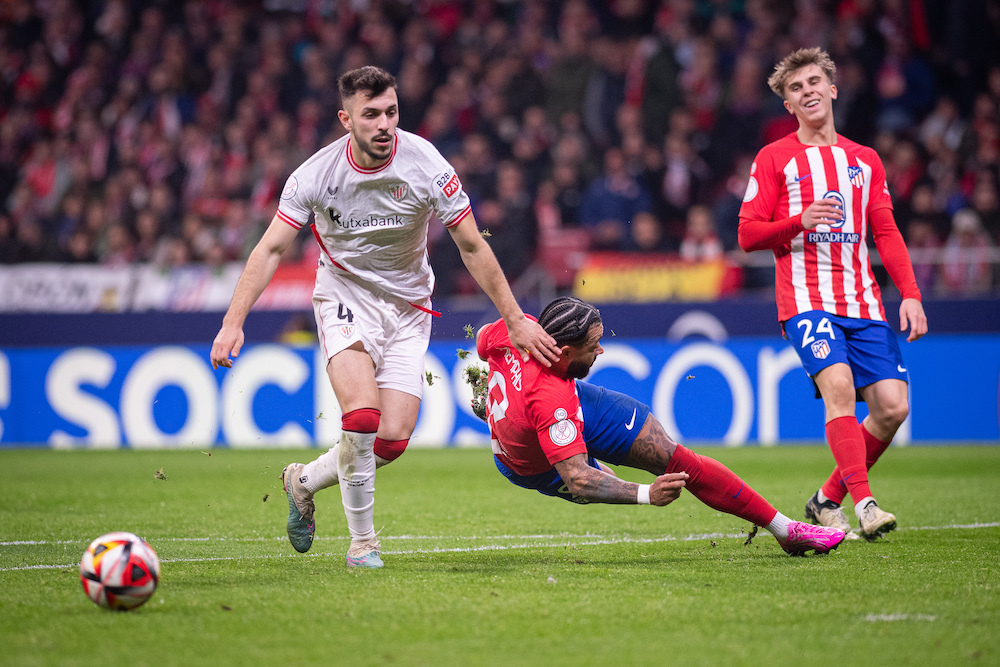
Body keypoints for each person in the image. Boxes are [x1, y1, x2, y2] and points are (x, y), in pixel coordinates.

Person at [210, 66, 561, 569]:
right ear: (345, 118)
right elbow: (269, 250)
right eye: (370, 114)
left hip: (409, 308)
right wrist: (232, 321)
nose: (383, 124)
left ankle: (302, 481)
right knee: (361, 416)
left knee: (391, 440)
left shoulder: (427, 165)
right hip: (344, 296)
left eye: (391, 112)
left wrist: (515, 319)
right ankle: (363, 545)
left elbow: (471, 246)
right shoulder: (314, 176)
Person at [472, 296, 847, 556]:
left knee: (678, 460)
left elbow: (483, 341)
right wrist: (645, 494)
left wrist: (497, 398)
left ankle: (785, 530)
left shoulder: (517, 328)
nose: (601, 350)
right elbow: (578, 478)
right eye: (594, 345)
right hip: (529, 464)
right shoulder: (550, 399)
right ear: (566, 352)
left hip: (571, 403)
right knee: (594, 475)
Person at [738, 48, 928, 541]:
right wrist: (797, 222)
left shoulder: (864, 160)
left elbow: (885, 232)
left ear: (833, 88)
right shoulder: (774, 157)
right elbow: (747, 234)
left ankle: (827, 500)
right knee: (840, 388)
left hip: (863, 302)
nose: (808, 91)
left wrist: (910, 293)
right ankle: (864, 504)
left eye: (815, 81)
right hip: (804, 299)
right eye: (796, 87)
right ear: (788, 105)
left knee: (892, 408)